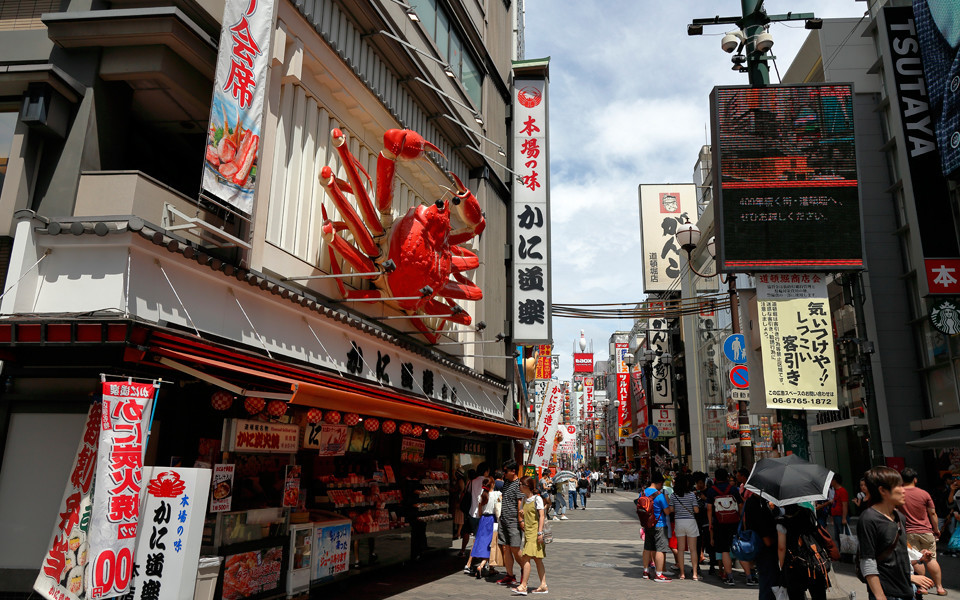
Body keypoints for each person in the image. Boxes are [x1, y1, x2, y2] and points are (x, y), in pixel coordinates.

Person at [859, 466, 933, 600]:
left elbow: (897, 556)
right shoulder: (868, 519)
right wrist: (880, 596)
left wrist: (919, 559)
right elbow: (867, 561)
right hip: (887, 593)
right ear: (882, 490)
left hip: (907, 590)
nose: (904, 490)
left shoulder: (899, 516)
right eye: (899, 486)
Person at [896, 467, 945, 595]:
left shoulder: (898, 493)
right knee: (931, 559)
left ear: (901, 479)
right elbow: (932, 513)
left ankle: (922, 587)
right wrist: (936, 529)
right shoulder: (924, 494)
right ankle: (939, 587)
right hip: (926, 531)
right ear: (915, 479)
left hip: (909, 532)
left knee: (917, 559)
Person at [777, 504, 829, 600]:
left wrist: (782, 566)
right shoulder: (808, 513)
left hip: (793, 564)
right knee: (819, 594)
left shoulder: (782, 523)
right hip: (813, 559)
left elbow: (781, 548)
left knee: (796, 595)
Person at [705, 467, 743, 586]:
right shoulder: (733, 489)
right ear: (727, 477)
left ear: (716, 478)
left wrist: (710, 523)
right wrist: (740, 518)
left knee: (724, 550)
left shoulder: (711, 491)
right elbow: (741, 504)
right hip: (734, 521)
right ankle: (749, 575)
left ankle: (730, 577)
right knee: (739, 547)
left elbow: (710, 509)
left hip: (719, 523)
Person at [512, 476, 547, 596]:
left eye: (521, 484)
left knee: (526, 557)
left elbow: (542, 516)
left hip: (535, 532)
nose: (519, 487)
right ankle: (543, 585)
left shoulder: (537, 499)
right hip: (527, 532)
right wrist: (521, 515)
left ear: (527, 486)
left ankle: (523, 586)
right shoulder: (524, 499)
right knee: (537, 559)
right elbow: (522, 516)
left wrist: (540, 532)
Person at [744, 492, 779, 600]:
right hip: (766, 549)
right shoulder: (757, 505)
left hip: (760, 549)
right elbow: (766, 537)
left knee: (766, 582)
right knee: (768, 584)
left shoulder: (756, 502)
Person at [464, 477, 500, 578]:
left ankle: (489, 567)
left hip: (483, 520)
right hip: (492, 520)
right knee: (490, 544)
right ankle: (482, 565)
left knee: (480, 542)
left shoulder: (482, 496)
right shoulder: (496, 495)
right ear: (492, 484)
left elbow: (479, 513)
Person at [496, 460, 524, 588]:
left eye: (506, 471)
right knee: (505, 547)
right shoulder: (506, 482)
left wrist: (520, 520)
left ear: (513, 471)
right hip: (503, 519)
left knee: (515, 548)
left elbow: (520, 502)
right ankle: (510, 575)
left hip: (514, 521)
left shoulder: (519, 484)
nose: (504, 473)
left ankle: (525, 569)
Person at [641, 471, 673, 582]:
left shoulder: (643, 493)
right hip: (659, 524)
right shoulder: (659, 495)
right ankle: (659, 574)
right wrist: (672, 507)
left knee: (647, 548)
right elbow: (667, 511)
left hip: (647, 524)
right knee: (660, 548)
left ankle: (646, 571)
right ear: (659, 483)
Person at [670, 474, 700, 580]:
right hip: (691, 522)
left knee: (681, 549)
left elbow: (671, 510)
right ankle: (695, 574)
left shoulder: (673, 496)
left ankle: (682, 573)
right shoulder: (692, 495)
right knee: (693, 550)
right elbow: (696, 510)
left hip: (679, 522)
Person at [736, 467, 757, 586]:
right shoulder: (743, 486)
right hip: (745, 517)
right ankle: (751, 569)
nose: (737, 477)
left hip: (750, 517)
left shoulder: (750, 486)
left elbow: (747, 500)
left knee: (750, 542)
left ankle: (751, 569)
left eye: (738, 475)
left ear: (743, 476)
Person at [692, 471, 713, 572]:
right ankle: (697, 566)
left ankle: (712, 565)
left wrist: (705, 498)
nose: (700, 485)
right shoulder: (693, 492)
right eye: (698, 483)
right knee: (697, 544)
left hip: (707, 520)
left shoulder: (709, 491)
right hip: (696, 521)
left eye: (702, 482)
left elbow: (711, 505)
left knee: (709, 543)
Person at [468, 462, 490, 544]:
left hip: (472, 512)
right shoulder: (487, 482)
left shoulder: (472, 481)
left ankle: (476, 554)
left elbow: (469, 492)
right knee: (483, 537)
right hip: (483, 513)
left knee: (476, 536)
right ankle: (478, 554)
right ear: (485, 472)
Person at [453, 470, 470, 557]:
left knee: (460, 517)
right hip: (459, 501)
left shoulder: (461, 482)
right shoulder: (463, 481)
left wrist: (459, 501)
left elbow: (461, 492)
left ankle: (458, 533)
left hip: (460, 501)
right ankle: (458, 533)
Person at [830, 475, 850, 547]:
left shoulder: (842, 491)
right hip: (836, 516)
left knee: (844, 536)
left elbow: (845, 505)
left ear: (835, 481)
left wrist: (844, 518)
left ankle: (846, 554)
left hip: (840, 516)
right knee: (838, 536)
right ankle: (842, 552)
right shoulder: (836, 491)